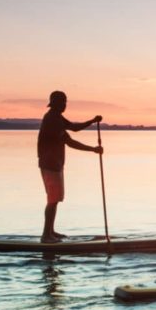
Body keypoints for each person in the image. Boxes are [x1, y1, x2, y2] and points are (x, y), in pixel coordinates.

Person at [38, 90, 103, 243]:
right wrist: (93, 149)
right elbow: (70, 141)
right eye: (63, 102)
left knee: (55, 199)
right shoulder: (52, 120)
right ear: (56, 103)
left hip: (56, 164)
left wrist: (92, 121)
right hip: (50, 164)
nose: (65, 104)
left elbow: (74, 127)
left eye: (66, 101)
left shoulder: (57, 117)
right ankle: (46, 236)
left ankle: (51, 231)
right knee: (52, 200)